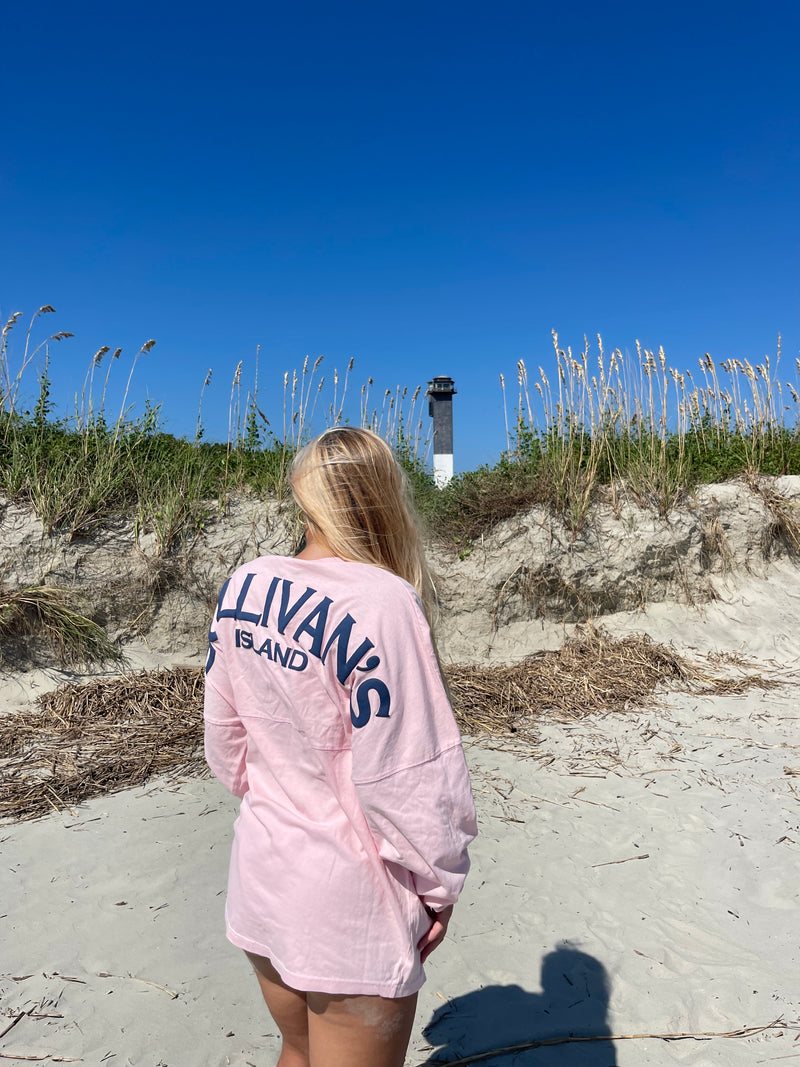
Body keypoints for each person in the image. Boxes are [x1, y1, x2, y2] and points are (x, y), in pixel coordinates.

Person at [203, 426, 477, 1067]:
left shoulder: (243, 584)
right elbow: (407, 773)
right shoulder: (382, 600)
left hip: (263, 873)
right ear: (385, 497)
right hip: (350, 902)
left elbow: (226, 744)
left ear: (303, 494)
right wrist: (438, 887)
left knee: (295, 1053)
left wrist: (284, 799)